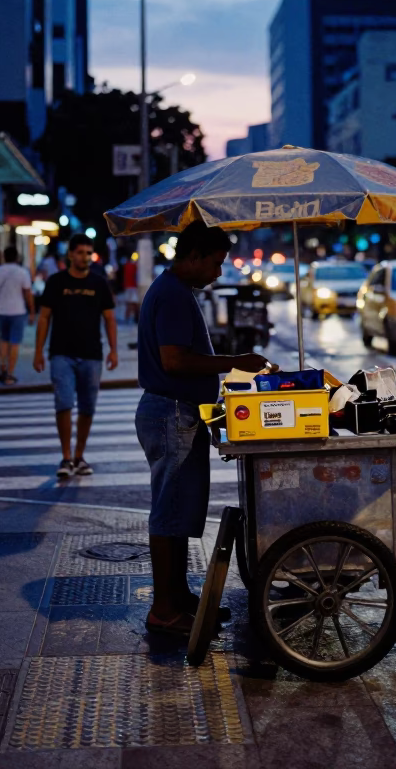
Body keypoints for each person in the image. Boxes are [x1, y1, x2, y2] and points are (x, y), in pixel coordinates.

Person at [136, 221, 273, 636]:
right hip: (171, 412)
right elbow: (175, 361)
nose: (218, 272)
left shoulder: (177, 291)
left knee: (181, 511)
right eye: (215, 263)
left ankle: (179, 597)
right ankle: (164, 610)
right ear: (193, 256)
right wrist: (234, 361)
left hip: (181, 411)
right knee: (170, 511)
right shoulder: (174, 296)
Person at [33, 235, 119, 478]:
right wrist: (39, 351)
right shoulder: (56, 282)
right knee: (63, 403)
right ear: (70, 254)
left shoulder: (99, 283)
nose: (84, 257)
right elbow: (44, 317)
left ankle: (79, 455)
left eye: (88, 252)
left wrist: (113, 350)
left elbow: (109, 318)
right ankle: (66, 457)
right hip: (61, 353)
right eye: (80, 252)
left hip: (92, 354)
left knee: (87, 407)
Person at [0, 245, 35, 385]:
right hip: (18, 311)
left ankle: (2, 365)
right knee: (15, 343)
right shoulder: (22, 272)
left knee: (3, 340)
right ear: (17, 257)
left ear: (4, 257)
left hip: (1, 311)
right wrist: (32, 311)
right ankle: (10, 373)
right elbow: (28, 293)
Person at [121, 256, 140, 323]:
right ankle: (134, 318)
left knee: (130, 304)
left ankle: (128, 318)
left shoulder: (126, 265)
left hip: (128, 286)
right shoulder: (134, 265)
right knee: (134, 303)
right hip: (132, 287)